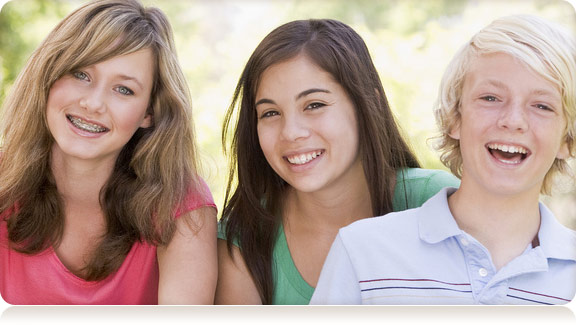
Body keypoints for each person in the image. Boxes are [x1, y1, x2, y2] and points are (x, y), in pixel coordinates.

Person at [310, 14, 576, 305]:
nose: (513, 121)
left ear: (567, 140)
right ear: (455, 118)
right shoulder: (362, 252)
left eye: (542, 105)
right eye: (490, 98)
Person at [215, 18, 460, 305]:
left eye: (314, 105)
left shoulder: (436, 201)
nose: (291, 132)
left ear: (368, 103)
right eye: (270, 113)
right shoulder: (246, 234)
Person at [0, 0, 217, 305]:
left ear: (149, 113)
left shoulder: (182, 206)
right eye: (80, 74)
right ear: (48, 76)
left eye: (123, 89)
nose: (94, 103)